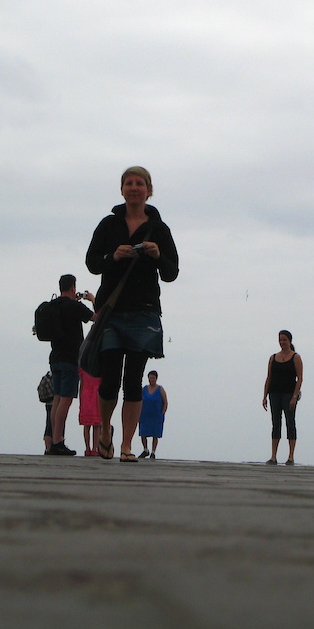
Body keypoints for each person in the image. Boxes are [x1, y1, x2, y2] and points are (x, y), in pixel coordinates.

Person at [86, 166, 179, 462]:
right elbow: (91, 263)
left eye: (140, 183)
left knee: (133, 378)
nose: (134, 188)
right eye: (129, 183)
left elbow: (171, 272)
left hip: (144, 310)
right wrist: (113, 256)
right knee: (110, 376)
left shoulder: (159, 229)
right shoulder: (108, 224)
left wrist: (155, 255)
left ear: (149, 190)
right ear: (122, 189)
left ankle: (126, 444)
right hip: (112, 309)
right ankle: (104, 432)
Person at [47, 274, 95, 456]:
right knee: (65, 400)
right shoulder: (75, 306)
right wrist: (92, 299)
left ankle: (53, 440)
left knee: (57, 399)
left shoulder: (54, 305)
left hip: (55, 357)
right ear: (73, 287)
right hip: (70, 358)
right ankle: (58, 441)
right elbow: (96, 318)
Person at [262, 330, 303, 466]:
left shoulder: (295, 357)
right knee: (275, 423)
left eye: (284, 340)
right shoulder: (273, 358)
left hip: (289, 394)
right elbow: (269, 377)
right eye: (280, 340)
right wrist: (264, 396)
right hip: (274, 394)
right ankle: (273, 456)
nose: (282, 342)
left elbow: (300, 378)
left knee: (290, 423)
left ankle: (290, 457)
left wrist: (294, 396)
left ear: (290, 341)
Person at [137, 370, 168, 459]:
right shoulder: (144, 389)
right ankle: (145, 449)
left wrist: (162, 413)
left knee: (155, 434)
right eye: (150, 378)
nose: (152, 380)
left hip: (156, 415)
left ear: (156, 379)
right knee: (143, 432)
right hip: (144, 414)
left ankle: (153, 452)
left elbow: (165, 402)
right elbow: (139, 401)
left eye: (153, 378)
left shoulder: (160, 389)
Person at [79, 370, 102, 456]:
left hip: (86, 394)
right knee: (96, 424)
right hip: (97, 395)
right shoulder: (100, 368)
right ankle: (94, 449)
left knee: (87, 424)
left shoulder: (83, 369)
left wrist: (80, 398)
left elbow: (81, 384)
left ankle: (87, 448)